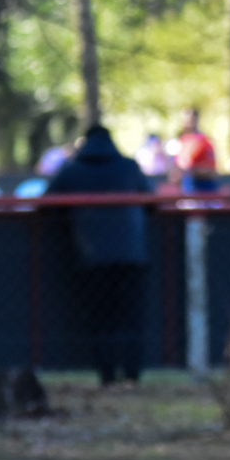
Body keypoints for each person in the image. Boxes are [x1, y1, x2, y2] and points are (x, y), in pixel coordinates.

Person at [44, 125, 152, 387]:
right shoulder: (128, 167)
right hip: (131, 256)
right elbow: (152, 200)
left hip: (91, 257)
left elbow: (44, 205)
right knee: (131, 316)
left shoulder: (71, 171)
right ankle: (132, 374)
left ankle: (107, 375)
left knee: (100, 318)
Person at [172, 107, 219, 193]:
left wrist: (191, 171)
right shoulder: (180, 141)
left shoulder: (205, 142)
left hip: (203, 190)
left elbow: (211, 171)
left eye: (191, 119)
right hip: (186, 189)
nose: (187, 123)